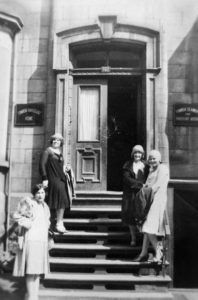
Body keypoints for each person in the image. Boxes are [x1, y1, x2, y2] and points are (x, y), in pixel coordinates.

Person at [13, 184, 50, 300]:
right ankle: (30, 297)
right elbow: (16, 215)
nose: (40, 195)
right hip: (32, 239)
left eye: (42, 193)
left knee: (37, 271)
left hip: (42, 240)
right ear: (34, 193)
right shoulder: (29, 203)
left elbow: (46, 222)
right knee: (31, 271)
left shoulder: (45, 206)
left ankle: (35, 296)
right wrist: (27, 223)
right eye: (38, 193)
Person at [134, 150, 169, 262]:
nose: (152, 161)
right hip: (150, 200)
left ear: (159, 159)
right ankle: (143, 253)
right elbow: (149, 184)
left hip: (158, 200)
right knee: (146, 225)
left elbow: (157, 185)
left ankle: (159, 251)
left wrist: (145, 192)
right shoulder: (151, 169)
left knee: (147, 227)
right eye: (150, 159)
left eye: (154, 158)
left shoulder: (163, 168)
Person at [39, 133, 73, 233]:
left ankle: (59, 223)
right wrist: (44, 178)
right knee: (56, 199)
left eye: (58, 140)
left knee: (62, 200)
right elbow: (42, 165)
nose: (56, 141)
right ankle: (53, 223)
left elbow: (61, 166)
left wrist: (66, 168)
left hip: (61, 178)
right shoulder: (47, 151)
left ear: (61, 142)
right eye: (54, 140)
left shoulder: (59, 152)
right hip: (52, 178)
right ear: (51, 141)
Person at [121, 145, 149, 246]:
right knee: (130, 216)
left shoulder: (146, 165)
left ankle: (143, 238)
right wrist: (140, 184)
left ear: (142, 154)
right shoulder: (128, 165)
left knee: (142, 215)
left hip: (143, 194)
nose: (137, 155)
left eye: (139, 153)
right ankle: (133, 238)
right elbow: (127, 179)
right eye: (135, 153)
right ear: (133, 154)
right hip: (131, 194)